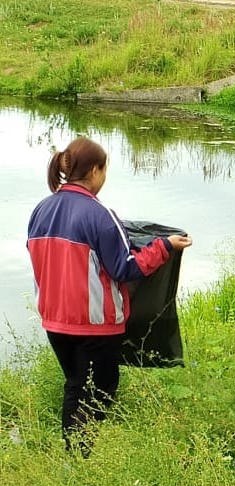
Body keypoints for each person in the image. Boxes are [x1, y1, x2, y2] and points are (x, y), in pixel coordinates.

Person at [26, 137, 193, 455]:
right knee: (102, 388)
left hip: (54, 320)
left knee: (76, 384)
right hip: (94, 322)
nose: (104, 178)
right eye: (104, 171)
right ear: (94, 170)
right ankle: (81, 453)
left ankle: (75, 454)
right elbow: (126, 268)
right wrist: (165, 246)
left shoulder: (41, 210)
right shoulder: (99, 214)